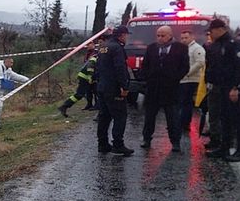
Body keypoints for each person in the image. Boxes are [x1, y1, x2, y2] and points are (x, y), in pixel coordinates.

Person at [139, 26, 189, 152]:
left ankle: (175, 142)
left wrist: (175, 77)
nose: (160, 38)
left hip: (171, 89)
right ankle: (146, 139)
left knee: (173, 118)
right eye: (158, 35)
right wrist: (148, 78)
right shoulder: (151, 48)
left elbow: (184, 67)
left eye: (163, 36)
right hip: (153, 88)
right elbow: (145, 65)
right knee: (149, 117)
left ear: (170, 35)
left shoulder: (181, 48)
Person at [205, 19, 240, 161]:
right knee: (224, 118)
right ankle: (224, 147)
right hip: (221, 87)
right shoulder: (217, 45)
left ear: (219, 29)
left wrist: (236, 87)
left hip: (232, 88)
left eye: (211, 31)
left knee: (237, 119)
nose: (210, 34)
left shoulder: (233, 44)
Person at [96, 26, 134, 156]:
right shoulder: (117, 48)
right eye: (126, 35)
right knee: (120, 116)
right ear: (122, 35)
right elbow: (120, 68)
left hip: (102, 87)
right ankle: (118, 144)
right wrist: (124, 86)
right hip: (114, 89)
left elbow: (98, 66)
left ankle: (102, 144)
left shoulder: (103, 46)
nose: (127, 37)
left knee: (104, 116)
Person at [0, 58, 29, 131]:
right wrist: (0, 78)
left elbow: (16, 76)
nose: (12, 64)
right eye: (11, 62)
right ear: (6, 62)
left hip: (0, 90)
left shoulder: (9, 71)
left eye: (12, 63)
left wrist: (27, 80)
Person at [178, 30, 206, 132]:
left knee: (186, 102)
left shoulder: (197, 48)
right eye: (182, 38)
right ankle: (181, 122)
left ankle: (184, 123)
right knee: (182, 102)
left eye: (186, 38)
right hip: (183, 79)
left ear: (192, 37)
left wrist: (188, 73)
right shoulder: (184, 48)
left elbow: (200, 62)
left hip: (191, 79)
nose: (184, 40)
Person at [58, 49, 98, 117]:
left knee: (98, 93)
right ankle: (64, 106)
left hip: (88, 79)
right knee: (80, 94)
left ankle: (99, 109)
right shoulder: (95, 58)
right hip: (85, 78)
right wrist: (90, 77)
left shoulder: (97, 58)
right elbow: (90, 67)